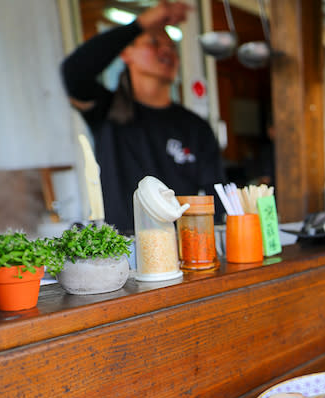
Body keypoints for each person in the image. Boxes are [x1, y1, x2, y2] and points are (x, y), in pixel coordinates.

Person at [61, 0, 224, 233]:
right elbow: (73, 73)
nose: (166, 50)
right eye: (154, 42)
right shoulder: (108, 110)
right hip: (124, 252)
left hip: (182, 252)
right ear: (126, 53)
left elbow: (217, 197)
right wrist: (141, 23)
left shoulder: (195, 127)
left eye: (172, 46)